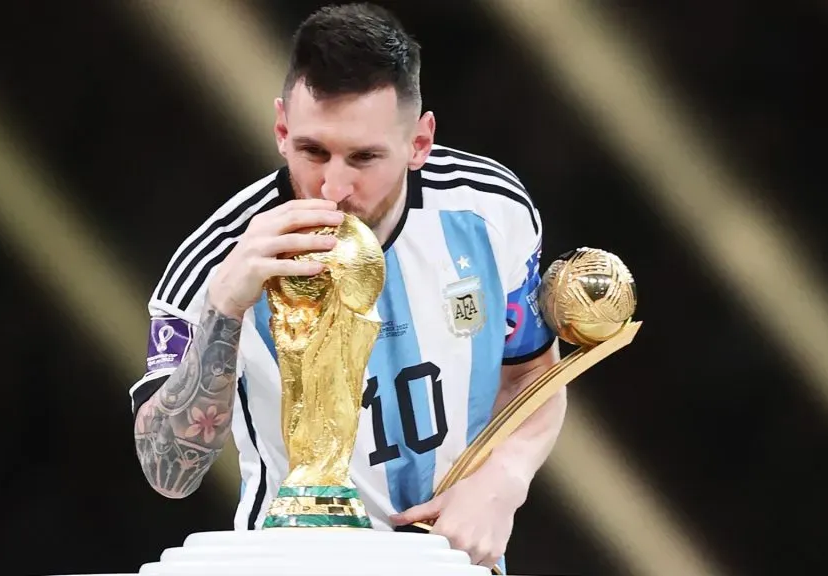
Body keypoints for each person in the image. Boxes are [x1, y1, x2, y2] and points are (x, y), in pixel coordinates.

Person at [130, 3, 567, 571]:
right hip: (292, 563)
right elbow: (169, 473)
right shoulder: (216, 260)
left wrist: (503, 480)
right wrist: (226, 305)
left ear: (419, 142)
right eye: (313, 151)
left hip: (452, 565)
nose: (334, 186)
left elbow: (534, 375)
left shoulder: (491, 211)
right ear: (282, 130)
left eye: (364, 157)